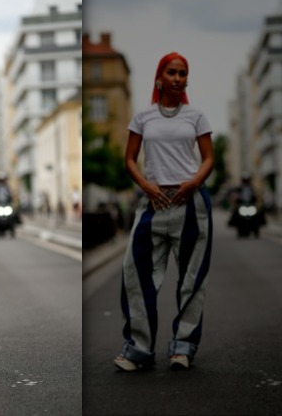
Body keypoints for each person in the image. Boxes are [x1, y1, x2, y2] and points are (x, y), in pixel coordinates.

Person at [114, 52, 214, 372]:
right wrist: (146, 185)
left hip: (191, 203)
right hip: (153, 203)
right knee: (135, 272)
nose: (177, 78)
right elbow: (130, 158)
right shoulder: (143, 118)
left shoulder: (196, 116)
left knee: (191, 278)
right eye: (171, 72)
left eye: (182, 73)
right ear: (159, 77)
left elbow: (208, 158)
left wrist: (193, 182)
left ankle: (183, 347)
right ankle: (140, 348)